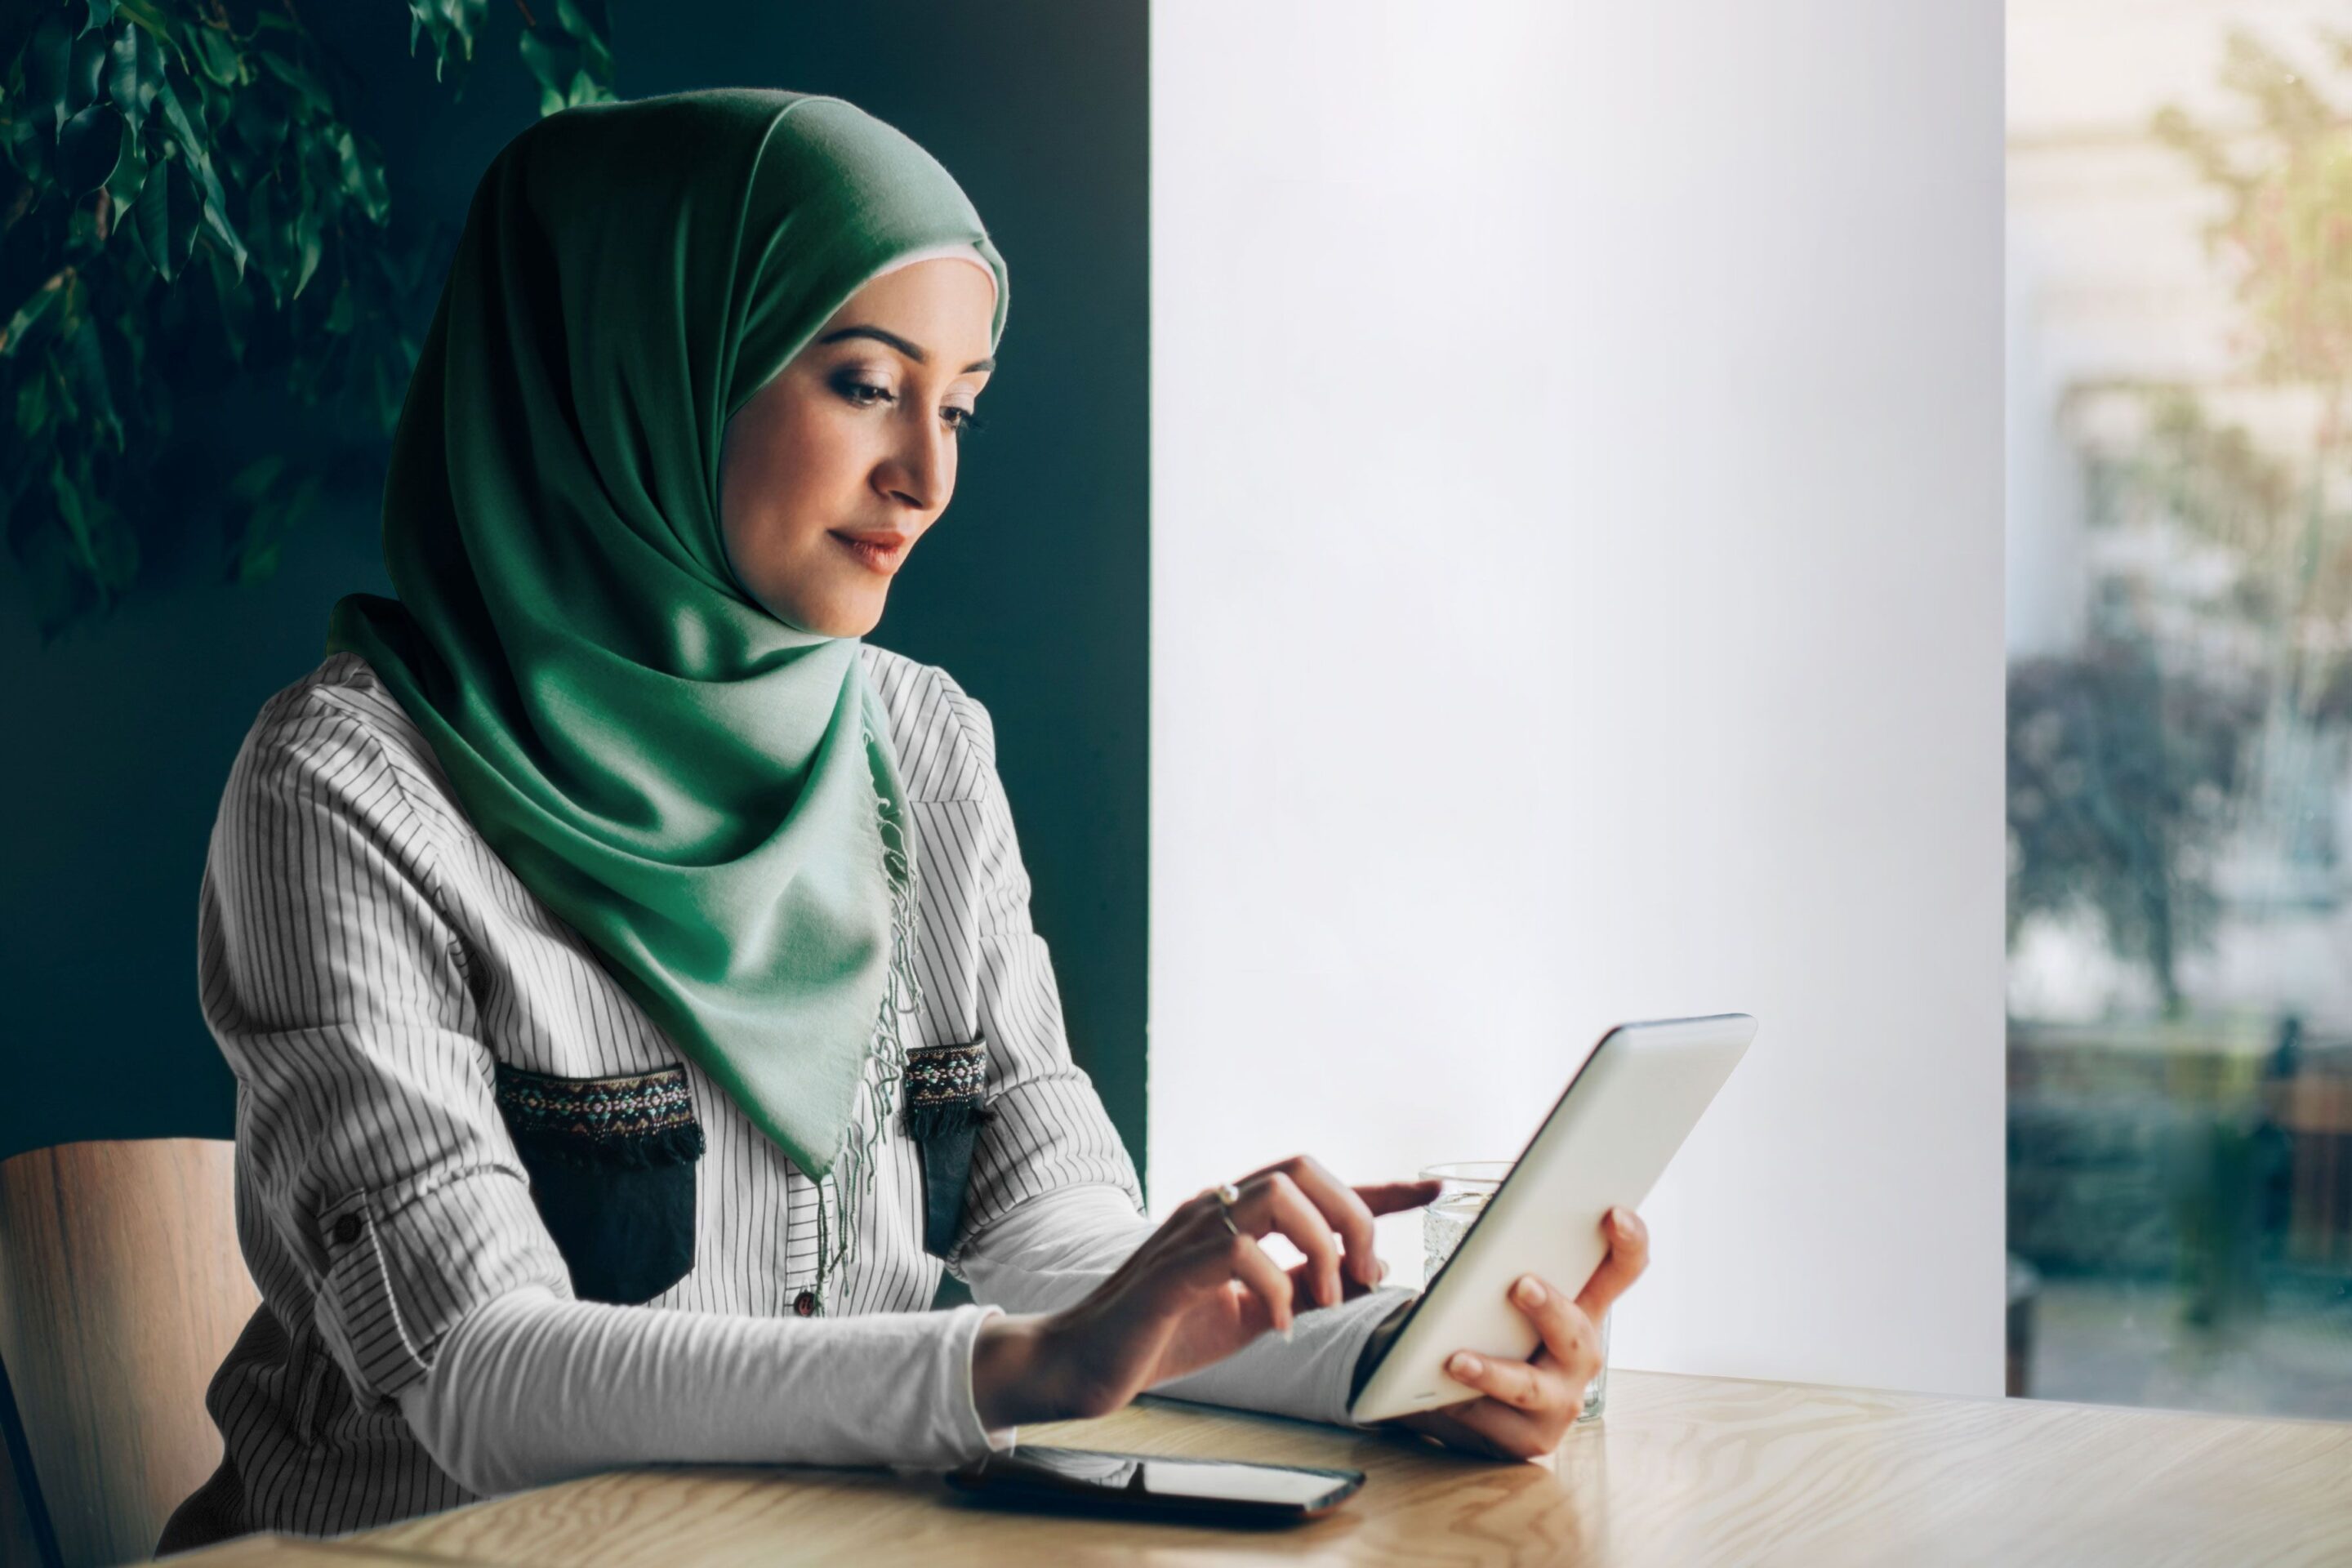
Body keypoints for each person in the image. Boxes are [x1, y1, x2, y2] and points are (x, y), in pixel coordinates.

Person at [157, 87, 1650, 1552]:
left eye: (960, 408)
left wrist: (1406, 1369)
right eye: (865, 384)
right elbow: (479, 1372)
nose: (926, 478)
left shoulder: (921, 747)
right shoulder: (352, 787)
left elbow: (1052, 1245)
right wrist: (1007, 1369)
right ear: (645, 366)